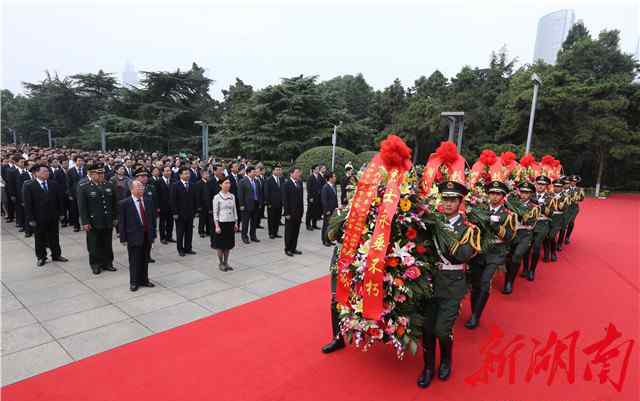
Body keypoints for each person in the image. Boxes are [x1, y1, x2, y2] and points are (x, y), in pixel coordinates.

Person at [418, 181, 479, 389]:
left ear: (460, 202)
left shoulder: (469, 229)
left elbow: (463, 255)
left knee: (442, 331)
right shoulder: (432, 223)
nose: (448, 203)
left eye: (453, 200)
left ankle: (445, 359)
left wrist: (445, 234)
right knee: (426, 330)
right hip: (428, 284)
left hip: (452, 286)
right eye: (445, 198)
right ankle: (427, 368)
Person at [465, 180, 515, 329]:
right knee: (475, 284)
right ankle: (475, 310)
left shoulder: (508, 215)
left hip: (496, 252)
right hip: (479, 251)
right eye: (491, 193)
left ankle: (475, 316)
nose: (494, 196)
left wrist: (496, 226)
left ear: (503, 196)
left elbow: (510, 236)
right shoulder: (479, 210)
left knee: (485, 282)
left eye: (497, 193)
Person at [22, 164, 68, 266]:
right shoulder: (29, 185)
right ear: (36, 173)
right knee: (39, 238)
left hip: (53, 216)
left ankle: (56, 255)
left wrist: (61, 213)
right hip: (38, 218)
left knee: (54, 237)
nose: (47, 173)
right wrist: (31, 219)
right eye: (44, 171)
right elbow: (28, 204)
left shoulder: (53, 184)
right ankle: (41, 257)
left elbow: (59, 200)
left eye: (47, 171)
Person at [77, 163, 118, 275]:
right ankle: (95, 264)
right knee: (94, 244)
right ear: (91, 174)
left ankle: (108, 263)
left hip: (107, 220)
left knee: (107, 243)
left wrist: (115, 217)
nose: (101, 175)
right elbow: (82, 207)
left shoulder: (109, 185)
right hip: (93, 221)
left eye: (103, 173)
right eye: (98, 173)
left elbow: (114, 203)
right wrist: (85, 222)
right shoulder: (84, 186)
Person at [119, 181, 156, 292]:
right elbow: (122, 222)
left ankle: (144, 279)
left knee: (145, 259)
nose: (141, 189)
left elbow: (152, 220)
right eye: (138, 187)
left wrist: (153, 234)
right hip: (133, 236)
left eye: (142, 187)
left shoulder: (148, 201)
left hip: (146, 235)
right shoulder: (125, 203)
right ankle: (134, 282)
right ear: (132, 189)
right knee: (134, 260)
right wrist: (123, 238)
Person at [502, 182, 538, 294]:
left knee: (517, 255)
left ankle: (510, 283)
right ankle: (507, 279)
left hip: (525, 234)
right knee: (509, 257)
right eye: (522, 192)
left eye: (527, 193)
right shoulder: (511, 202)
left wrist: (516, 209)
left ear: (531, 194)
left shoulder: (534, 207)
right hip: (512, 233)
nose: (524, 195)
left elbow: (529, 221)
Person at [521, 176, 552, 281]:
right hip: (528, 224)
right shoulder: (530, 194)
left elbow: (551, 212)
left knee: (537, 247)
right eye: (538, 184)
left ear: (546, 186)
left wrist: (540, 206)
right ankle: (525, 268)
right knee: (526, 247)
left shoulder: (550, 197)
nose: (540, 186)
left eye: (542, 184)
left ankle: (532, 270)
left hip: (542, 224)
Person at [212, 177, 239, 271]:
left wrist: (236, 223)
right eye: (226, 183)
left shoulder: (232, 196)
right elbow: (215, 213)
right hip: (221, 223)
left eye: (229, 183)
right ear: (220, 185)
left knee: (228, 245)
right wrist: (217, 226)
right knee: (220, 245)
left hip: (230, 223)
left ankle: (226, 262)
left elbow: (235, 209)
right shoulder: (217, 197)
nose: (228, 185)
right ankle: (220, 263)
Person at [170, 167, 197, 256]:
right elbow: (173, 200)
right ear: (180, 175)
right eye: (185, 173)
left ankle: (188, 248)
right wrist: (175, 213)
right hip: (179, 214)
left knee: (189, 232)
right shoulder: (175, 185)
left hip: (190, 213)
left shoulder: (192, 185)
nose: (187, 175)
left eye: (188, 173)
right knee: (180, 232)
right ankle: (180, 249)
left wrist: (195, 211)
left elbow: (194, 199)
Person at [237, 166, 261, 244]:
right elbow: (240, 194)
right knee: (245, 222)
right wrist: (241, 205)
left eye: (255, 172)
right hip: (246, 205)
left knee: (254, 222)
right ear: (248, 172)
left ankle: (253, 236)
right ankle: (244, 237)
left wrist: (260, 202)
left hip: (255, 204)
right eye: (253, 172)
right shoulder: (242, 181)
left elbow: (258, 192)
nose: (255, 173)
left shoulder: (256, 181)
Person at [283, 167, 304, 256]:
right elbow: (285, 200)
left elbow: (301, 198)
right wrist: (286, 212)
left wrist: (302, 211)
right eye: (296, 172)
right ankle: (287, 249)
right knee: (289, 231)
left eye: (299, 172)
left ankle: (293, 248)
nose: (298, 174)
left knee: (296, 231)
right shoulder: (286, 184)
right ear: (291, 174)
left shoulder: (299, 183)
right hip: (290, 213)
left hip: (298, 212)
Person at [66, 156, 87, 232]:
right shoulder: (70, 171)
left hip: (86, 192)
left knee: (85, 209)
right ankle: (76, 225)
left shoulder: (86, 170)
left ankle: (86, 224)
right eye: (79, 160)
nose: (81, 162)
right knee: (75, 210)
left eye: (82, 160)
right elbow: (68, 183)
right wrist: (70, 194)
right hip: (75, 193)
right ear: (75, 162)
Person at [264, 163, 284, 239]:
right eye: (277, 170)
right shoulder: (269, 180)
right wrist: (268, 203)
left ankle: (276, 232)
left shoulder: (281, 179)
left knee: (277, 218)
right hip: (271, 204)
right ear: (273, 171)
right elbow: (266, 192)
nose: (279, 171)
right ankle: (271, 233)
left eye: (279, 170)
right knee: (271, 219)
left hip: (279, 203)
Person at [563, 175, 584, 245]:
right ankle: (560, 238)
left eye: (575, 181)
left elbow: (582, 198)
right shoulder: (565, 188)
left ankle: (567, 237)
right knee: (563, 223)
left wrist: (578, 199)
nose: (573, 183)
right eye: (572, 181)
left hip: (574, 208)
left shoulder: (579, 189)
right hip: (565, 208)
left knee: (571, 222)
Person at [157, 166, 174, 244]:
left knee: (170, 222)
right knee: (162, 223)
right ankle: (162, 237)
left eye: (169, 171)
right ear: (163, 172)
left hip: (171, 206)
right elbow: (156, 195)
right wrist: (157, 207)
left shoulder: (173, 181)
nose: (168, 172)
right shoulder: (158, 182)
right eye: (166, 171)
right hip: (162, 206)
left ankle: (169, 236)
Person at [320, 171, 338, 247]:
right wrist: (326, 210)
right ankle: (324, 240)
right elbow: (324, 201)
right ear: (330, 178)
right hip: (328, 211)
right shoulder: (325, 187)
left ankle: (329, 239)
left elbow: (335, 198)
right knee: (326, 225)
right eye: (334, 176)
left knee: (331, 226)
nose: (335, 178)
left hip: (334, 209)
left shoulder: (334, 186)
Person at [194, 169, 212, 238]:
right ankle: (201, 231)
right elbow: (197, 196)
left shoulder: (209, 183)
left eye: (208, 174)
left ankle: (208, 231)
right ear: (202, 175)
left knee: (208, 219)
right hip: (202, 204)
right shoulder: (198, 183)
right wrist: (198, 206)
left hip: (209, 204)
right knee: (202, 219)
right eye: (205, 174)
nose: (207, 175)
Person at [305, 164, 324, 230]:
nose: (318, 170)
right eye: (317, 169)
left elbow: (323, 185)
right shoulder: (310, 177)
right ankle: (308, 224)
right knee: (310, 211)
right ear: (313, 170)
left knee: (316, 211)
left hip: (318, 197)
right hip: (312, 197)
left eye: (318, 169)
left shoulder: (320, 177)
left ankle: (314, 224)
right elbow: (308, 188)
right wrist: (310, 197)